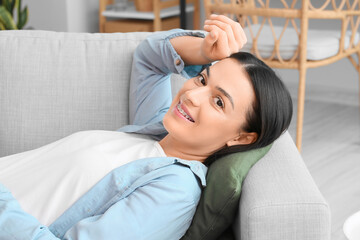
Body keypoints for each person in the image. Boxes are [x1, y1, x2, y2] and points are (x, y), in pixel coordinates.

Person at [0, 14, 292, 239]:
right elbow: (150, 58)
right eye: (203, 79)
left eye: (218, 102)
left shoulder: (174, 192)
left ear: (242, 137)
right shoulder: (156, 131)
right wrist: (206, 51)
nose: (191, 94)